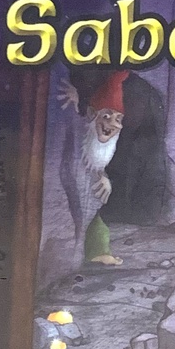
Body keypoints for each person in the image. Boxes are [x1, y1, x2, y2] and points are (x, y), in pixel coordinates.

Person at [57, 70, 129, 266]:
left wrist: (104, 178)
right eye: (107, 116)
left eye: (118, 119)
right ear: (92, 115)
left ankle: (94, 254)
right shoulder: (79, 131)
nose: (112, 124)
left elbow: (97, 162)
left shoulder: (110, 153)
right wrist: (77, 100)